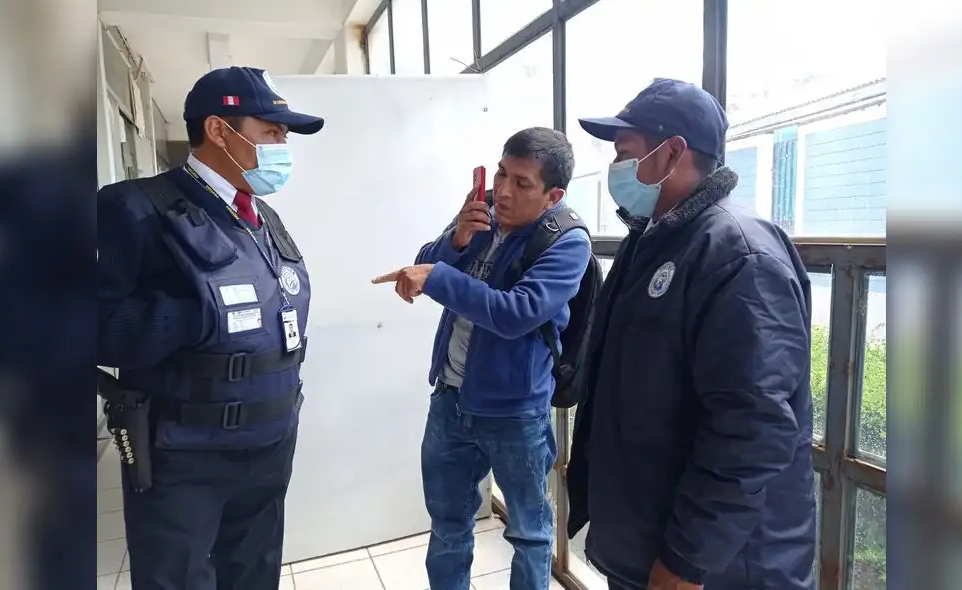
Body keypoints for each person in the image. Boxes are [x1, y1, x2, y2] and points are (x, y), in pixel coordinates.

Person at [566, 78, 817, 590]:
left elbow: (753, 425)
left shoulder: (738, 254)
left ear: (672, 152)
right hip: (651, 543)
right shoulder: (653, 239)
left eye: (625, 154)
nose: (616, 168)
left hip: (721, 567)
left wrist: (686, 560)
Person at [97, 66, 324, 590]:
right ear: (219, 130)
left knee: (253, 574)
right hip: (186, 456)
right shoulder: (136, 208)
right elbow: (92, 326)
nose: (282, 146)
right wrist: (193, 316)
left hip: (269, 446)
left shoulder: (262, 217)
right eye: (272, 132)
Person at [372, 127, 593, 590]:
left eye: (522, 183)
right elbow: (425, 262)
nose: (504, 191)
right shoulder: (483, 213)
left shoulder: (566, 241)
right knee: (448, 525)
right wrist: (455, 241)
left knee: (530, 533)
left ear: (553, 195)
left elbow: (516, 313)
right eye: (501, 174)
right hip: (450, 400)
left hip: (516, 413)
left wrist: (438, 276)